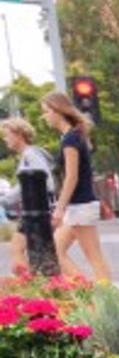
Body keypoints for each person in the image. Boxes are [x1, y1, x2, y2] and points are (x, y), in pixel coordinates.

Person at [40, 90, 111, 283]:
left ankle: (107, 301)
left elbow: (71, 177)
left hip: (80, 205)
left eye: (46, 111)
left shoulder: (71, 139)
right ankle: (85, 290)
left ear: (57, 111)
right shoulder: (72, 136)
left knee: (94, 257)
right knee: (55, 250)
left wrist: (59, 209)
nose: (44, 117)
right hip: (79, 205)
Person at [0, 116, 56, 271]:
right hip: (37, 210)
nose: (5, 139)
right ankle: (30, 285)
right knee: (18, 248)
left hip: (37, 211)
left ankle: (30, 285)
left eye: (7, 135)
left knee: (19, 249)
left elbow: (37, 180)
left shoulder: (30, 155)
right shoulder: (29, 155)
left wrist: (4, 200)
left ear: (19, 134)